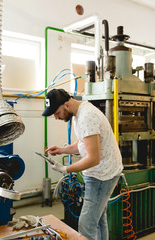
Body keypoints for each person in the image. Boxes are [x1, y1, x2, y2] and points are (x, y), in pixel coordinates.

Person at [42, 88, 123, 240]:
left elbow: (93, 158)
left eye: (57, 113)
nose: (56, 117)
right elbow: (83, 143)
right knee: (98, 220)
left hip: (102, 175)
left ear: (66, 105)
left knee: (86, 225)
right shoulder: (78, 113)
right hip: (100, 172)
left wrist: (65, 169)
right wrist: (62, 150)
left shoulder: (87, 117)